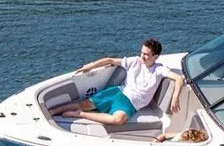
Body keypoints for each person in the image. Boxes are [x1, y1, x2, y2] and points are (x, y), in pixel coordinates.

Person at [49, 38, 184, 125]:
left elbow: (179, 78)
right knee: (84, 104)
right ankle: (53, 111)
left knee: (118, 119)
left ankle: (80, 114)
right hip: (118, 92)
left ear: (155, 57)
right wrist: (90, 66)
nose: (142, 56)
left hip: (131, 103)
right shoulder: (135, 61)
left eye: (146, 54)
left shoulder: (159, 70)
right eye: (142, 52)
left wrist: (175, 97)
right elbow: (110, 60)